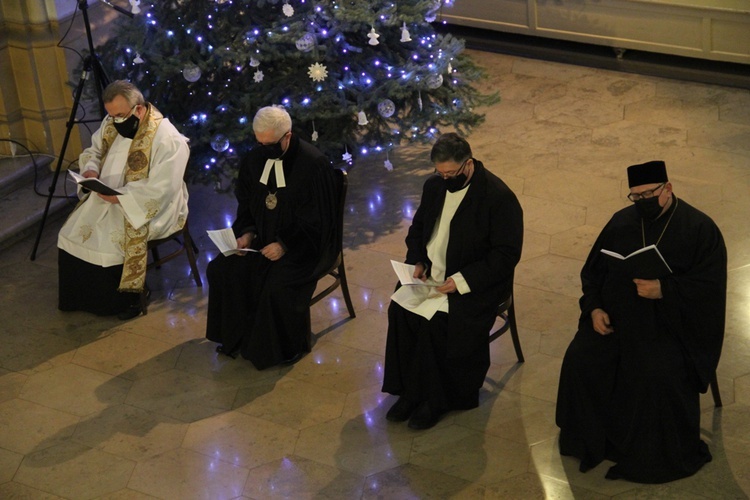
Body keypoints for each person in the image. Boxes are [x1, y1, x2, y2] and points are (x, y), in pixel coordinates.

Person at [556, 160, 727, 483]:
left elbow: (710, 290)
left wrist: (665, 289)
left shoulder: (699, 229)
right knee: (581, 358)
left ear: (668, 189)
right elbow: (592, 273)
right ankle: (594, 440)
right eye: (635, 197)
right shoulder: (621, 223)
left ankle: (650, 452)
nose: (642, 203)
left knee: (655, 374)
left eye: (649, 195)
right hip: (619, 319)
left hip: (673, 327)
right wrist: (594, 309)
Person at [382, 133, 524, 430]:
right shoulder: (435, 186)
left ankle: (438, 399)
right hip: (432, 275)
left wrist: (461, 281)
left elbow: (505, 255)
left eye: (452, 173)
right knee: (400, 310)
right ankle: (410, 390)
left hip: (475, 284)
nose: (445, 178)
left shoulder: (498, 198)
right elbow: (418, 227)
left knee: (438, 325)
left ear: (468, 164)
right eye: (440, 172)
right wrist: (418, 259)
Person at [205, 105, 337, 369]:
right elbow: (246, 204)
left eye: (270, 144)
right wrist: (247, 232)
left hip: (304, 247)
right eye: (259, 142)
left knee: (277, 285)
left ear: (287, 136)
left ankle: (283, 348)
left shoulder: (314, 165)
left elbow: (320, 220)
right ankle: (238, 336)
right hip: (261, 241)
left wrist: (284, 244)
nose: (264, 149)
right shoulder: (255, 160)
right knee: (222, 269)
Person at [58, 80, 190, 320]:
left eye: (120, 115)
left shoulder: (168, 138)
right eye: (111, 115)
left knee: (110, 240)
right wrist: (90, 170)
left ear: (139, 109)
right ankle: (80, 298)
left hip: (147, 206)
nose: (114, 121)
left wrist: (122, 199)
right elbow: (93, 151)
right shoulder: (113, 122)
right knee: (70, 232)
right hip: (108, 195)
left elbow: (163, 188)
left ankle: (125, 299)